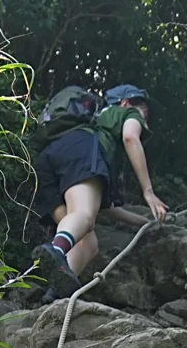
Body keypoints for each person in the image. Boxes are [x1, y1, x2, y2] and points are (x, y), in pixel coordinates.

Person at [29, 83, 169, 300]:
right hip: (80, 151)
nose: (145, 117)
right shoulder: (125, 115)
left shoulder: (97, 123)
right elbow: (130, 137)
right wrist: (148, 192)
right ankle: (56, 250)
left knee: (87, 239)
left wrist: (145, 222)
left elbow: (106, 209)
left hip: (49, 160)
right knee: (83, 215)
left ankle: (52, 295)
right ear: (125, 103)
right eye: (144, 110)